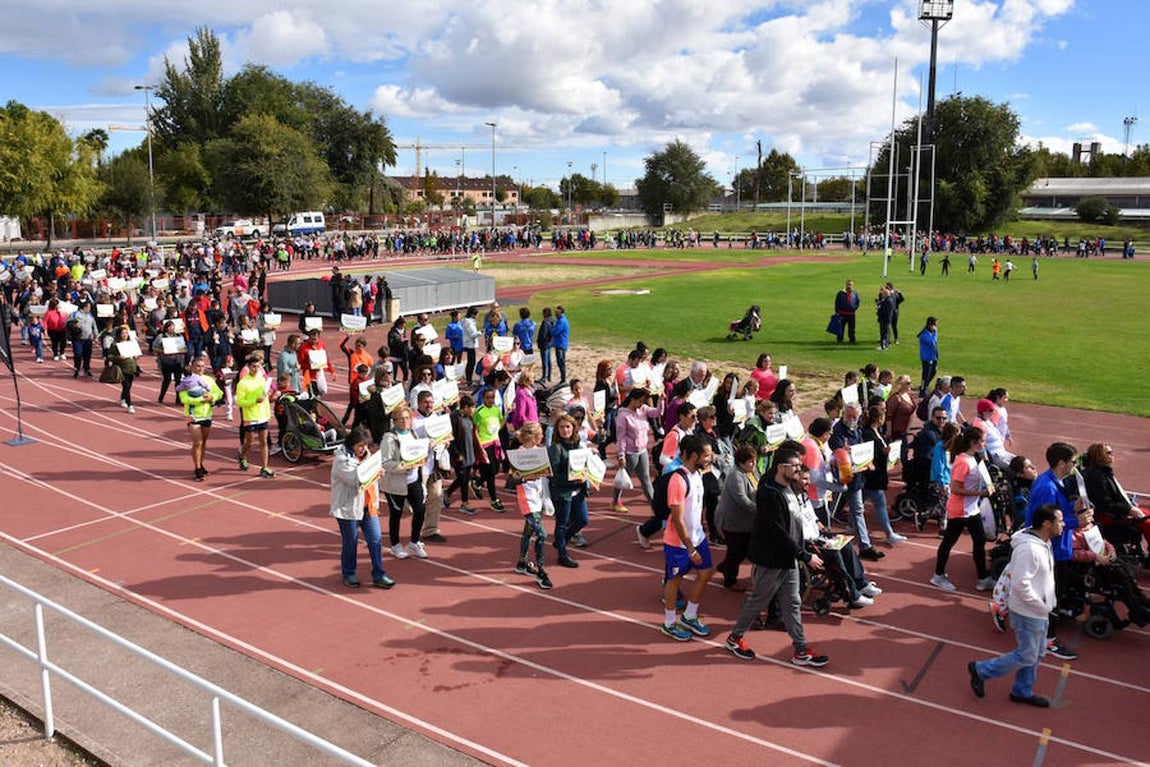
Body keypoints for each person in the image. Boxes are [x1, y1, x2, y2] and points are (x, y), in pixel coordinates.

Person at [724, 440, 829, 666]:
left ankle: (801, 649)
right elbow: (778, 531)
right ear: (781, 467)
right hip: (772, 558)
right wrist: (805, 556)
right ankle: (735, 637)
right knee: (758, 600)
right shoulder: (770, 493)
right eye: (795, 467)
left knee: (792, 603)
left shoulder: (788, 486)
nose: (799, 471)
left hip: (787, 557)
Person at [968, 504, 1062, 708]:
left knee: (1036, 654)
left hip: (1039, 611)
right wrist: (1041, 606)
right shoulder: (1029, 549)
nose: (1063, 525)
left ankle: (1022, 690)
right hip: (1029, 612)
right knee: (1027, 654)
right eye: (1060, 521)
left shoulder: (1043, 542)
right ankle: (981, 670)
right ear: (1047, 524)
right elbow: (1020, 585)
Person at [1025, 442, 1093, 661]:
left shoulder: (1054, 483)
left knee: (1054, 592)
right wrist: (1077, 521)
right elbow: (1046, 524)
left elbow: (1056, 514)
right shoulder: (1047, 487)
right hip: (1049, 549)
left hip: (1057, 548)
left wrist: (1073, 511)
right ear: (1062, 463)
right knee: (1049, 595)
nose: (1075, 466)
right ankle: (1048, 640)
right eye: (1073, 462)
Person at [657, 435, 716, 641]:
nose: (711, 458)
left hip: (697, 538)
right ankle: (669, 623)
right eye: (707, 455)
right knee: (675, 580)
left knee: (706, 572)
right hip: (679, 544)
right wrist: (690, 548)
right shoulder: (677, 480)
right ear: (693, 456)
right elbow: (678, 519)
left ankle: (689, 616)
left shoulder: (697, 474)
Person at [330, 426, 394, 590]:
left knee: (375, 540)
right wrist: (374, 472)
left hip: (368, 506)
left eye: (365, 445)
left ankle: (379, 574)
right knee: (350, 542)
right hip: (348, 508)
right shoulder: (341, 459)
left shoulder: (367, 456)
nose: (363, 449)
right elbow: (355, 479)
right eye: (360, 445)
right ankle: (349, 573)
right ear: (351, 444)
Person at [931, 426, 994, 591]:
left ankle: (982, 578)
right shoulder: (963, 462)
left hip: (971, 509)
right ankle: (938, 575)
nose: (984, 444)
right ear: (974, 443)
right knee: (949, 542)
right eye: (982, 441)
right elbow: (956, 489)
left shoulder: (972, 458)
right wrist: (980, 492)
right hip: (959, 511)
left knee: (979, 541)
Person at [829, 402, 885, 561]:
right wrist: (843, 452)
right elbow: (836, 452)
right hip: (838, 479)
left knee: (858, 510)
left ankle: (864, 545)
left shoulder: (858, 428)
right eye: (849, 415)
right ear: (844, 414)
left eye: (855, 416)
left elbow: (862, 448)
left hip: (855, 478)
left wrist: (866, 461)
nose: (852, 419)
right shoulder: (838, 431)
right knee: (828, 510)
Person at [1082, 442, 1150, 560]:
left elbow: (1115, 494)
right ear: (1099, 456)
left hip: (1118, 510)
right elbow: (1104, 503)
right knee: (1148, 523)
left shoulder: (1104, 472)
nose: (1112, 455)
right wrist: (1129, 510)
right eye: (1108, 453)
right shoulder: (1096, 476)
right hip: (1109, 515)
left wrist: (1129, 503)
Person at [380, 405, 429, 559]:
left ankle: (414, 542)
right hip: (395, 483)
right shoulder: (389, 438)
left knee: (420, 510)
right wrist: (401, 467)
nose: (405, 421)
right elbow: (385, 462)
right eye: (401, 419)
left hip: (413, 480)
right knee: (396, 513)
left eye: (407, 418)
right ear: (394, 421)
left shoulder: (413, 433)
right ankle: (395, 545)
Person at [510, 421, 553, 590]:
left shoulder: (539, 452)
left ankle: (522, 562)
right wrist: (524, 478)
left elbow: (545, 474)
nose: (542, 436)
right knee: (541, 534)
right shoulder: (519, 454)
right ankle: (541, 571)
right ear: (531, 436)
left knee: (528, 531)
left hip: (538, 496)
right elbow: (512, 479)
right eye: (540, 434)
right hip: (526, 498)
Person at [715, 444, 759, 590]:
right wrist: (761, 510)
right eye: (751, 462)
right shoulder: (736, 476)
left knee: (743, 551)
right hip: (733, 522)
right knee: (736, 552)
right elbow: (742, 499)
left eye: (754, 461)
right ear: (741, 463)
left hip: (745, 521)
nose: (754, 464)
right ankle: (729, 580)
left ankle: (725, 566)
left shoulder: (752, 473)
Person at [548, 412, 588, 568]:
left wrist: (586, 476)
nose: (565, 430)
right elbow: (554, 476)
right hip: (562, 492)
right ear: (557, 429)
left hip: (577, 490)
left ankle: (560, 541)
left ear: (574, 428)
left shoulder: (578, 445)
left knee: (582, 519)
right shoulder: (555, 448)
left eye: (568, 426)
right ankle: (562, 555)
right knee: (562, 523)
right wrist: (572, 479)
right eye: (561, 427)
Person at [177, 356, 223, 482]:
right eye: (198, 366)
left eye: (203, 366)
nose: (201, 368)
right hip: (193, 416)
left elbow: (219, 393)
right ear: (192, 367)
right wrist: (201, 400)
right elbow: (184, 398)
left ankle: (201, 464)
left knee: (203, 443)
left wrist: (212, 397)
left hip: (207, 415)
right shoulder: (186, 380)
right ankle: (197, 469)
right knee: (197, 443)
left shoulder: (208, 379)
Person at [613, 388, 658, 513]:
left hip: (642, 451)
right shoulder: (623, 416)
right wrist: (621, 455)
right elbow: (621, 437)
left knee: (646, 479)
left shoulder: (642, 409)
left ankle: (654, 506)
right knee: (623, 478)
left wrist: (662, 401)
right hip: (630, 453)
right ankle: (615, 500)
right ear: (632, 399)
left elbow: (656, 413)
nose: (641, 404)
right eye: (639, 401)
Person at [236, 353, 275, 478]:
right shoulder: (243, 383)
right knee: (249, 442)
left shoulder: (262, 379)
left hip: (262, 414)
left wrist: (269, 394)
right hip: (251, 416)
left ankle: (265, 467)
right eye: (253, 366)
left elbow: (265, 395)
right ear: (248, 367)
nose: (255, 369)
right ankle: (242, 455)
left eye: (258, 366)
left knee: (264, 442)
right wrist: (254, 401)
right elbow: (240, 402)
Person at [106, 325, 140, 414]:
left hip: (131, 367)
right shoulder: (115, 344)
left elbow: (136, 354)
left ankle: (122, 398)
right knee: (126, 386)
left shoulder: (131, 343)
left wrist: (136, 356)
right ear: (119, 334)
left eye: (126, 333)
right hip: (121, 368)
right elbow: (109, 356)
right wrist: (118, 357)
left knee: (128, 386)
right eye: (123, 333)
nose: (125, 335)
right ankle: (130, 405)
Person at [68, 299, 97, 377]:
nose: (90, 308)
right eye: (89, 307)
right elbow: (67, 323)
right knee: (78, 354)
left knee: (87, 354)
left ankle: (86, 368)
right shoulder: (75, 314)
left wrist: (95, 333)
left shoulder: (90, 315)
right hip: (78, 338)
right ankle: (77, 368)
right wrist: (74, 325)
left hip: (88, 338)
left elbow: (93, 324)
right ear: (85, 307)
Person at [833, 279, 860, 344]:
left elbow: (858, 302)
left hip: (851, 314)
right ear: (846, 285)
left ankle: (852, 340)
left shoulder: (855, 293)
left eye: (850, 285)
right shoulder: (840, 293)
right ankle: (839, 340)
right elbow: (837, 303)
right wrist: (837, 312)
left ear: (853, 285)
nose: (849, 286)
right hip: (842, 314)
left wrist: (854, 308)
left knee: (852, 329)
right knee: (841, 328)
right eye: (848, 284)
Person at [917, 316, 938, 396]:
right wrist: (935, 333)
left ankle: (924, 386)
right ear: (930, 325)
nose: (936, 327)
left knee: (933, 372)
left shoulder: (930, 333)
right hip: (927, 358)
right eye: (935, 325)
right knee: (925, 375)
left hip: (933, 356)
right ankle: (922, 390)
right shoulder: (924, 335)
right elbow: (932, 343)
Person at [551, 305, 570, 382]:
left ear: (560, 312)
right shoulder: (561, 320)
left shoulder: (561, 321)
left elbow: (554, 332)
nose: (555, 313)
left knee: (561, 362)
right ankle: (563, 379)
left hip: (561, 344)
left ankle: (563, 379)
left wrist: (552, 329)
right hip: (560, 344)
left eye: (556, 312)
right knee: (560, 362)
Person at [536, 307, 555, 384]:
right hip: (550, 342)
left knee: (545, 361)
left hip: (544, 343)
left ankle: (544, 377)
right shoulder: (552, 321)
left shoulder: (545, 322)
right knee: (548, 360)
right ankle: (549, 376)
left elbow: (543, 334)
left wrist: (539, 340)